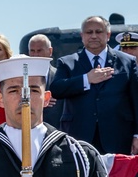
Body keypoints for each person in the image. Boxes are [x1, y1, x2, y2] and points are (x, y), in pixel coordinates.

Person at [50, 15, 138, 154]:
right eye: (89, 32)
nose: (94, 36)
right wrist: (86, 79)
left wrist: (136, 135)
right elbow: (56, 89)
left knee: (117, 176)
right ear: (82, 36)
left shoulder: (127, 61)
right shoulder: (67, 62)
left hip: (118, 136)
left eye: (99, 31)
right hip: (79, 136)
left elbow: (136, 100)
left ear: (108, 35)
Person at [27, 33, 63, 128]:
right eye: (32, 51)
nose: (35, 55)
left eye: (39, 50)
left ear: (50, 51)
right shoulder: (22, 78)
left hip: (55, 131)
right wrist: (38, 100)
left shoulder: (60, 77)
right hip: (30, 131)